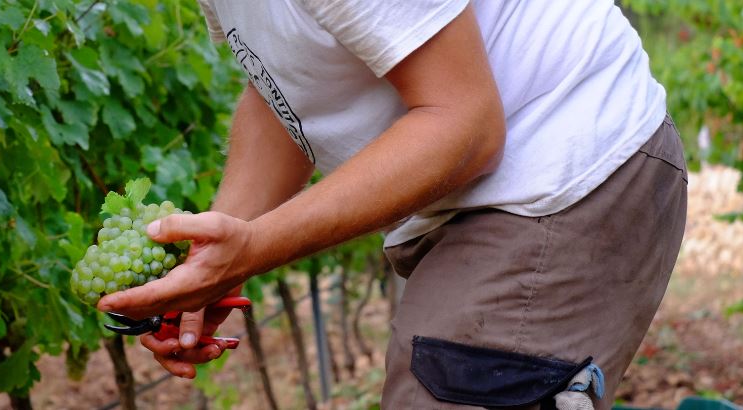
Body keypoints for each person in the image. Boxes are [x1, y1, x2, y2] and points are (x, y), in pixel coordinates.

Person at [95, 0, 687, 408]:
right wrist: (221, 250)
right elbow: (288, 89)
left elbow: (466, 123)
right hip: (497, 192)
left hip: (565, 163)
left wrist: (253, 248)